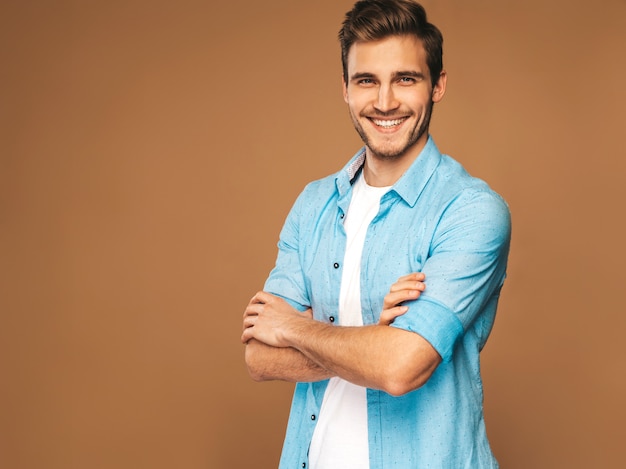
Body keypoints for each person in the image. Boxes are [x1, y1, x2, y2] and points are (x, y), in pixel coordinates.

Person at [241, 0, 511, 467]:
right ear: (345, 89)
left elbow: (401, 367)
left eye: (405, 79)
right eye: (367, 80)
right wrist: (373, 338)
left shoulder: (471, 210)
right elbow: (260, 358)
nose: (385, 102)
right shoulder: (313, 204)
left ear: (438, 85)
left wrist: (293, 328)